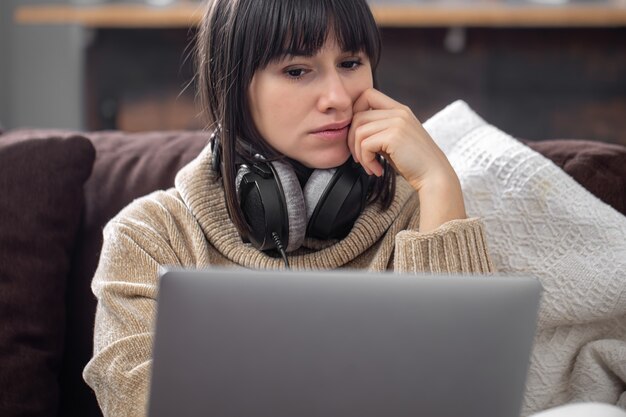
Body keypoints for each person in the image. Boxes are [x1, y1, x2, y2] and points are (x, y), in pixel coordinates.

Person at [84, 0, 505, 415]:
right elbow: (137, 405)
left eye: (351, 62)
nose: (338, 98)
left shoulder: (422, 216)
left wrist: (437, 181)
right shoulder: (148, 238)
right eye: (297, 70)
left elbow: (469, 396)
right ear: (231, 88)